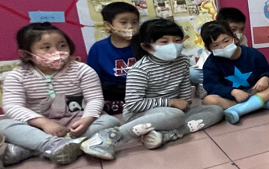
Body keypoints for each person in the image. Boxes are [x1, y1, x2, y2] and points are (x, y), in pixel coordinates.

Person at [82, 19, 224, 156]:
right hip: (140, 114)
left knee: (215, 110)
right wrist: (171, 102)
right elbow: (133, 104)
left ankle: (166, 135)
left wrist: (185, 103)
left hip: (173, 111)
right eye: (164, 42)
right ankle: (111, 136)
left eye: (177, 40)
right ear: (146, 46)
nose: (173, 45)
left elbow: (184, 88)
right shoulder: (140, 70)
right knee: (175, 115)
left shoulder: (183, 61)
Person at [1, 23, 121, 166]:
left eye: (62, 45)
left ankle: (35, 149)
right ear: (26, 54)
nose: (57, 51)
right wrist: (44, 123)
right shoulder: (17, 76)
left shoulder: (82, 70)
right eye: (46, 47)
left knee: (110, 122)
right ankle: (55, 144)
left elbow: (95, 99)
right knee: (3, 125)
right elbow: (12, 106)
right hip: (38, 127)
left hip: (77, 124)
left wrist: (86, 120)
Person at [200, 21, 269, 124]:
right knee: (208, 100)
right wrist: (232, 92)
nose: (223, 47)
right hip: (231, 97)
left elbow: (267, 71)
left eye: (226, 41)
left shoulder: (253, 54)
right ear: (208, 48)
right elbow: (211, 86)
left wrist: (265, 78)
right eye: (215, 45)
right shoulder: (210, 63)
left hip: (254, 91)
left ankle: (240, 110)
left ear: (234, 37)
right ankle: (259, 103)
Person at [86, 1, 139, 114]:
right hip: (112, 93)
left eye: (134, 22)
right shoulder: (98, 48)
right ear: (108, 25)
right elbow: (93, 79)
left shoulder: (142, 45)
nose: (130, 26)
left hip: (139, 90)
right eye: (123, 22)